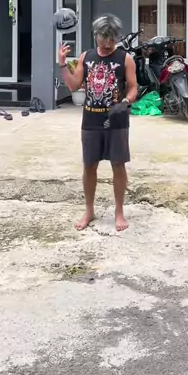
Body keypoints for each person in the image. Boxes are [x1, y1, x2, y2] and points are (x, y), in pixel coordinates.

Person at [58, 14, 137, 232]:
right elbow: (74, 86)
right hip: (91, 119)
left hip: (116, 120)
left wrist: (127, 101)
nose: (108, 43)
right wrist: (63, 64)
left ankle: (119, 211)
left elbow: (133, 87)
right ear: (96, 35)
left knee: (118, 165)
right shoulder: (86, 57)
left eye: (112, 38)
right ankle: (89, 210)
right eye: (104, 38)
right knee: (89, 165)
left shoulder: (125, 59)